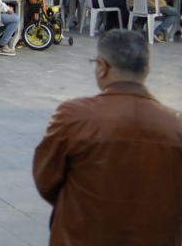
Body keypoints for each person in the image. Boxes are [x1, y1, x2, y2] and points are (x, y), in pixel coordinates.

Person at [32, 30, 182, 245]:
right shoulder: (176, 125)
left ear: (102, 67)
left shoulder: (73, 116)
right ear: (146, 70)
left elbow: (46, 181)